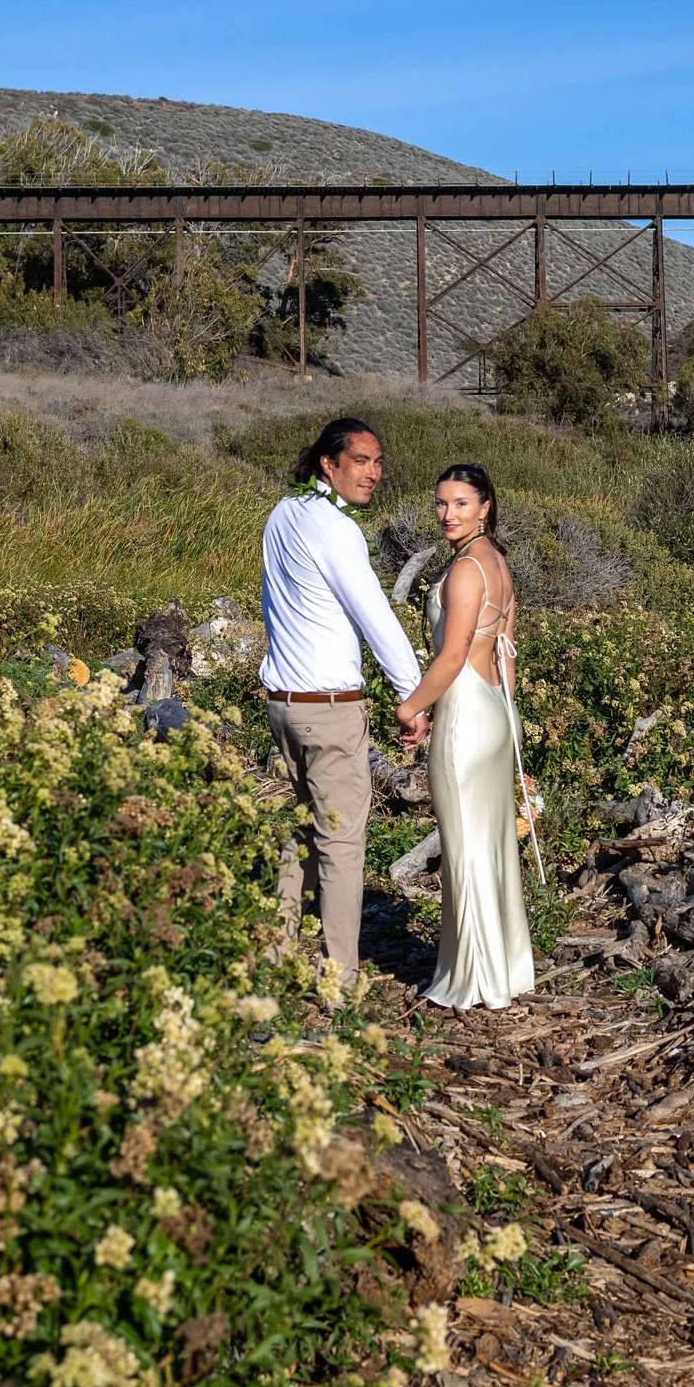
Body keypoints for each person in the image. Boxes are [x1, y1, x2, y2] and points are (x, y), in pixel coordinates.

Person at [259, 418, 425, 979]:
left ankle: (273, 954)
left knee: (306, 827)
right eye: (360, 460)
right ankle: (338, 982)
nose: (373, 473)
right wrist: (413, 695)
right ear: (328, 463)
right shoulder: (335, 527)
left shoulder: (283, 514)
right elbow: (374, 615)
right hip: (327, 707)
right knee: (341, 844)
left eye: (379, 462)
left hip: (283, 702)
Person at [394, 464, 535, 1011]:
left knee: (467, 845)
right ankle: (503, 964)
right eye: (440, 504)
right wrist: (510, 719)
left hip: (465, 716)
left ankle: (474, 977)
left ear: (485, 507)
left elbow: (451, 657)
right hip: (495, 710)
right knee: (491, 840)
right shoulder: (497, 565)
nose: (447, 514)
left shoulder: (465, 571)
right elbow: (506, 654)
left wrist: (410, 708)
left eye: (460, 504)